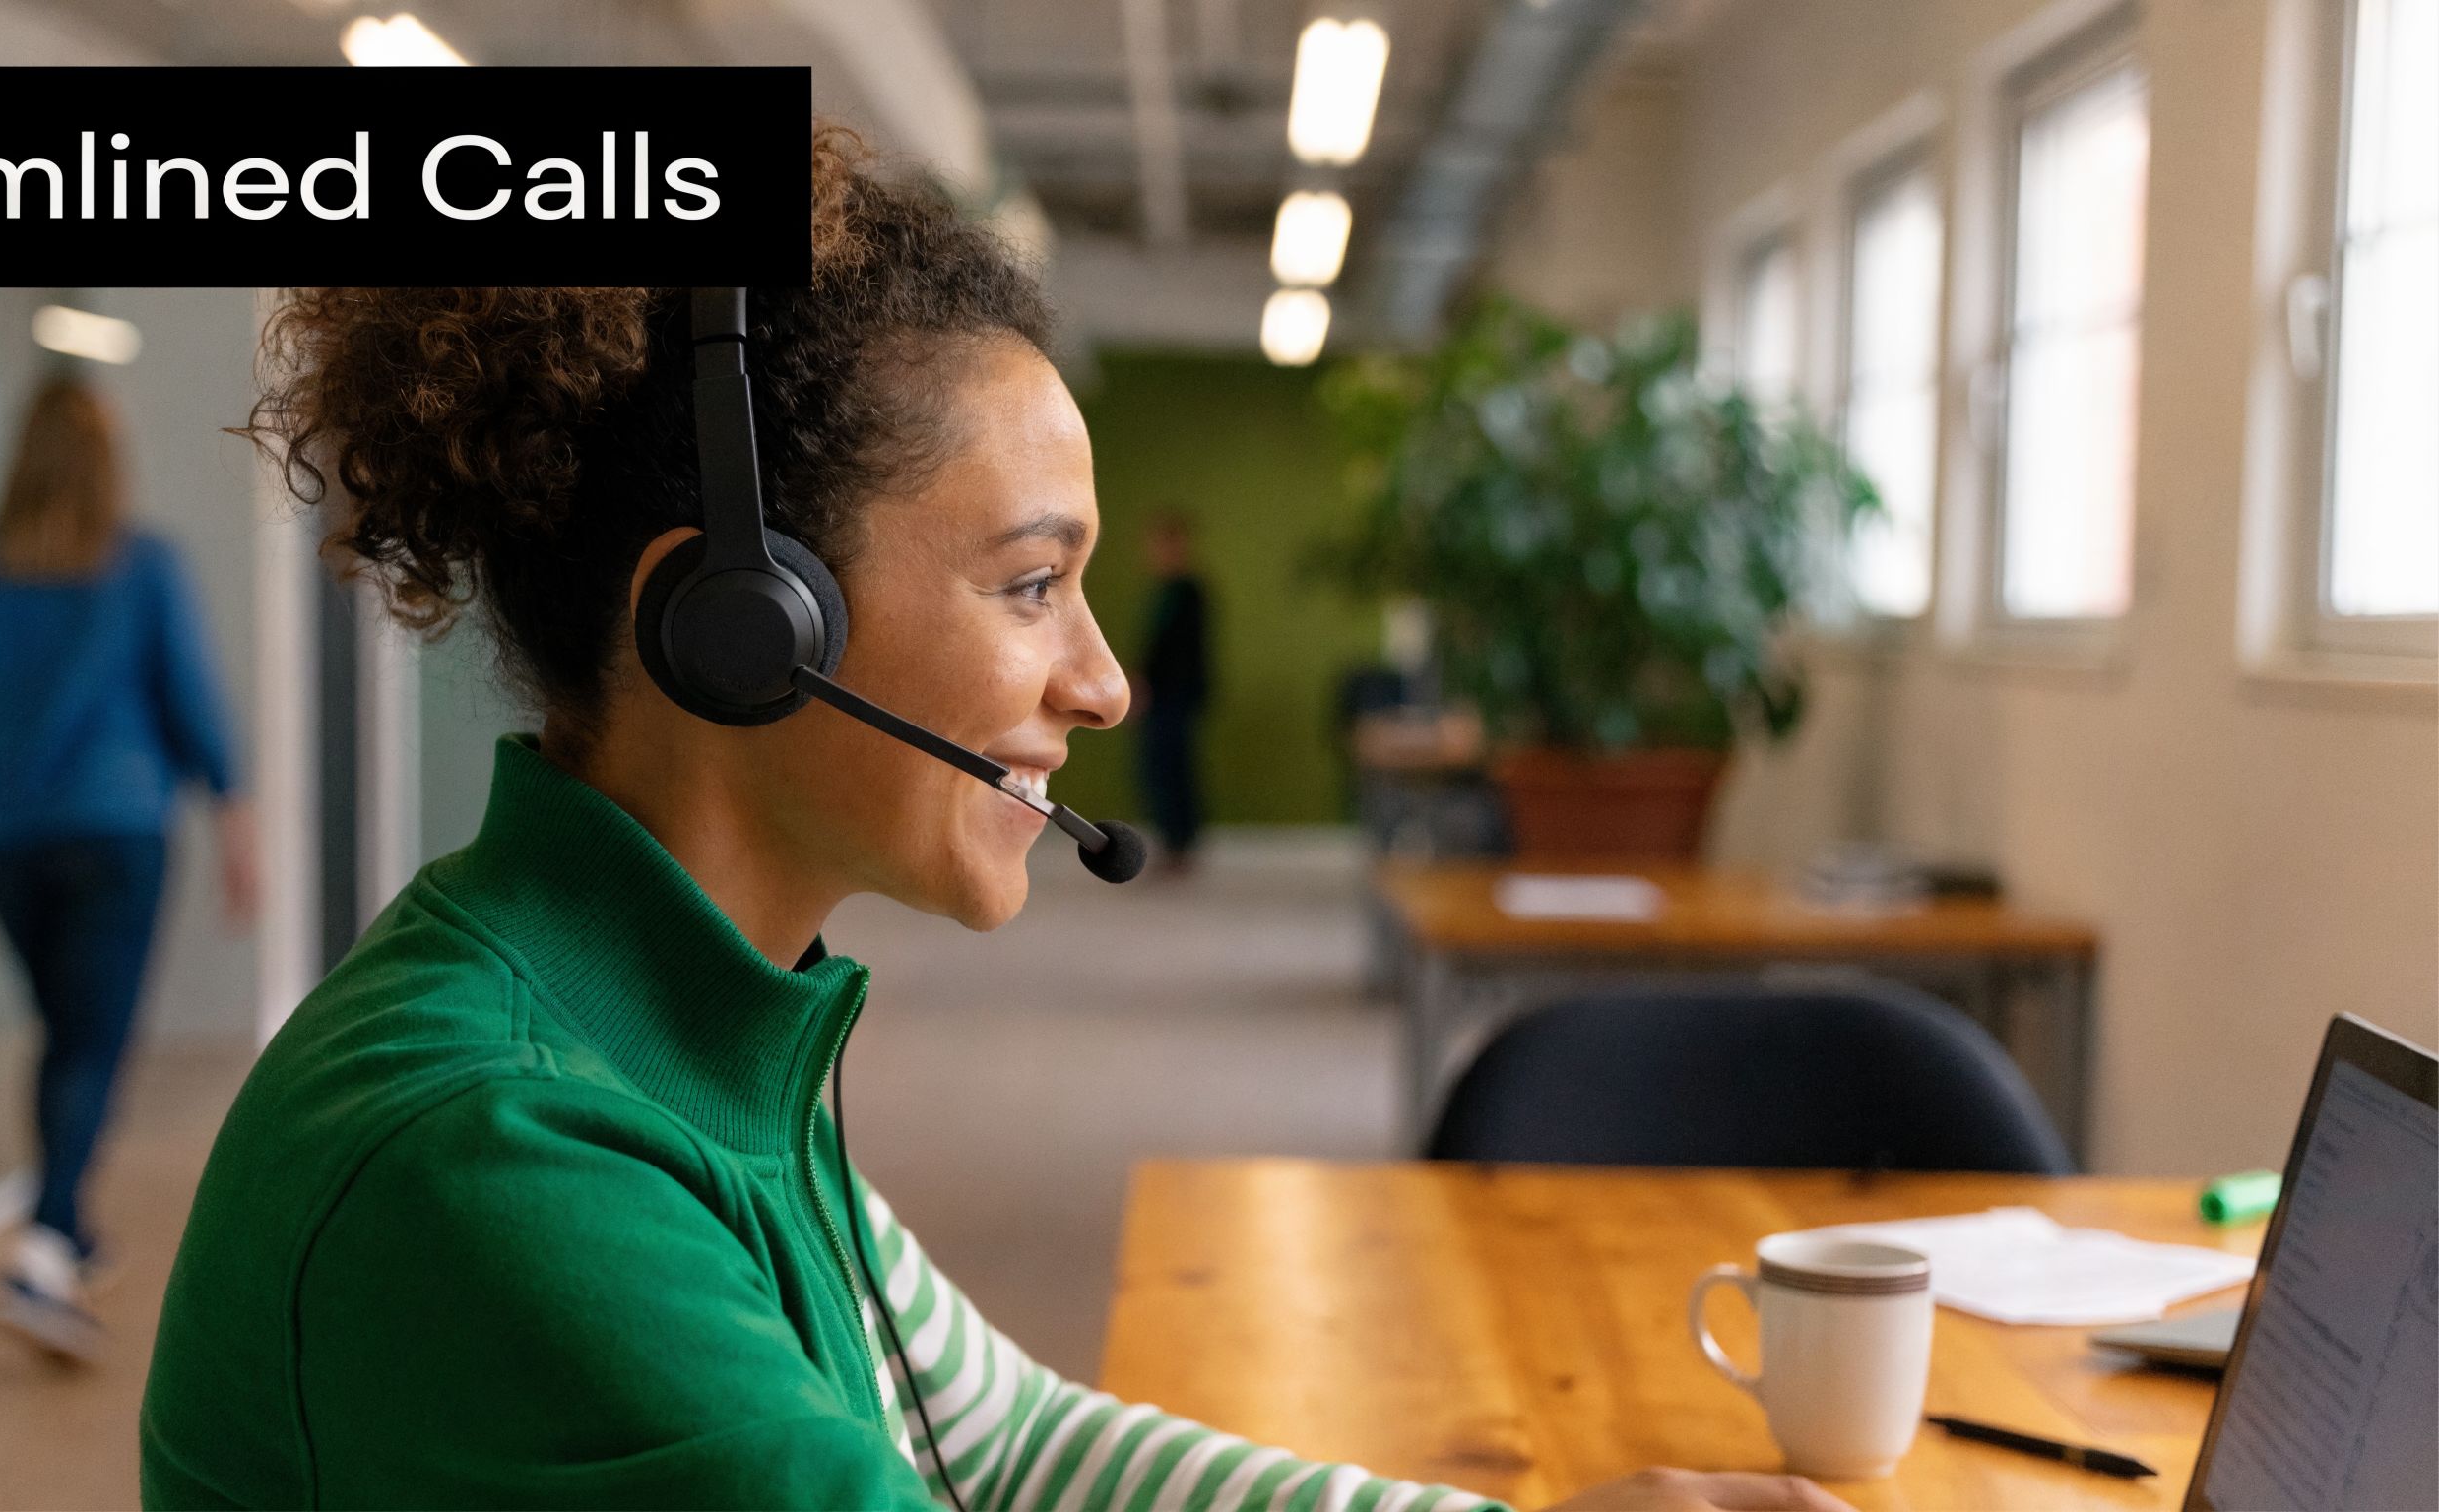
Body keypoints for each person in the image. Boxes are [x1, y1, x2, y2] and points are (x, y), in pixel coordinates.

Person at [139, 129, 1849, 1512]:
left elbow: (1010, 1442)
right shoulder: (500, 1151)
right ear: (742, 629)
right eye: (1031, 584)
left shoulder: (688, 1030)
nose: (1100, 683)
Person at [0, 375, 258, 1361]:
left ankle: (69, 1230)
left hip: (8, 841)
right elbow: (192, 704)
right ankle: (39, 1250)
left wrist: (14, 780)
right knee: (91, 1045)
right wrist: (237, 819)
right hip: (117, 833)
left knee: (66, 1036)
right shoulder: (141, 566)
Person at [1135, 510, 1213, 873]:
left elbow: (1183, 653)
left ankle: (1181, 844)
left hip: (1174, 696)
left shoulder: (1188, 592)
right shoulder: (1163, 592)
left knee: (1173, 769)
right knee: (1159, 769)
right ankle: (1172, 841)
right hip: (1162, 696)